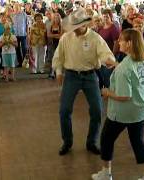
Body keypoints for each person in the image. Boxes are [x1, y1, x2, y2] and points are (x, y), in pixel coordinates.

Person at [52, 8, 116, 156]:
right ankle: (67, 142)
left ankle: (92, 141)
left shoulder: (95, 38)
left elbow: (106, 54)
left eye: (77, 27)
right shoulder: (66, 38)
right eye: (72, 27)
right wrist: (59, 72)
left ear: (86, 24)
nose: (74, 30)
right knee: (64, 110)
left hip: (90, 76)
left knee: (97, 110)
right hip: (71, 76)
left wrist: (110, 61)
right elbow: (58, 57)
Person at [91, 29, 144, 180]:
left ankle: (106, 174)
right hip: (141, 109)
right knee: (138, 141)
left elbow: (125, 96)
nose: (119, 42)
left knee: (106, 138)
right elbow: (131, 74)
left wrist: (106, 92)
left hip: (124, 112)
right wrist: (117, 65)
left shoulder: (125, 67)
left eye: (121, 40)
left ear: (130, 43)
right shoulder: (142, 60)